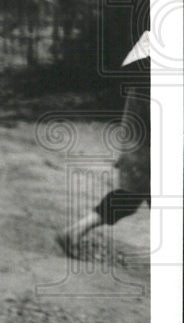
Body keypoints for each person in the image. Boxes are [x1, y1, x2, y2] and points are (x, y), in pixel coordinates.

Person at [56, 32, 151, 257]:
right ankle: (73, 231)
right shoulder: (153, 85)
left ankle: (74, 231)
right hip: (147, 153)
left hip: (137, 152)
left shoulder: (142, 79)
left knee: (127, 200)